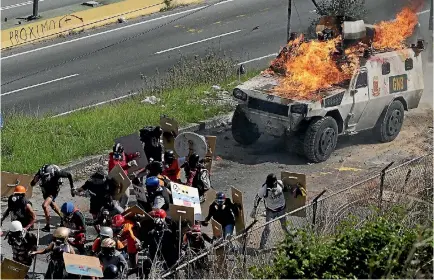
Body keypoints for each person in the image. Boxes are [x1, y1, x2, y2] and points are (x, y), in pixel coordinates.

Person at [30, 164, 75, 232]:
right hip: (45, 190)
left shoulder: (57, 173)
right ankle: (63, 217)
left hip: (53, 189)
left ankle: (48, 226)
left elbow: (69, 175)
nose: (45, 178)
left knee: (45, 205)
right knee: (52, 205)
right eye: (43, 176)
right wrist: (34, 181)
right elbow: (32, 184)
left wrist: (72, 188)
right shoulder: (40, 172)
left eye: (46, 176)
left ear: (51, 173)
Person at [250, 173, 289, 249]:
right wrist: (254, 209)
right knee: (268, 229)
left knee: (285, 227)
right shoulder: (264, 189)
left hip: (281, 209)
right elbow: (257, 198)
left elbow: (285, 189)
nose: (270, 187)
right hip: (270, 211)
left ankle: (290, 242)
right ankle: (262, 247)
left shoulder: (280, 183)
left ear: (275, 182)